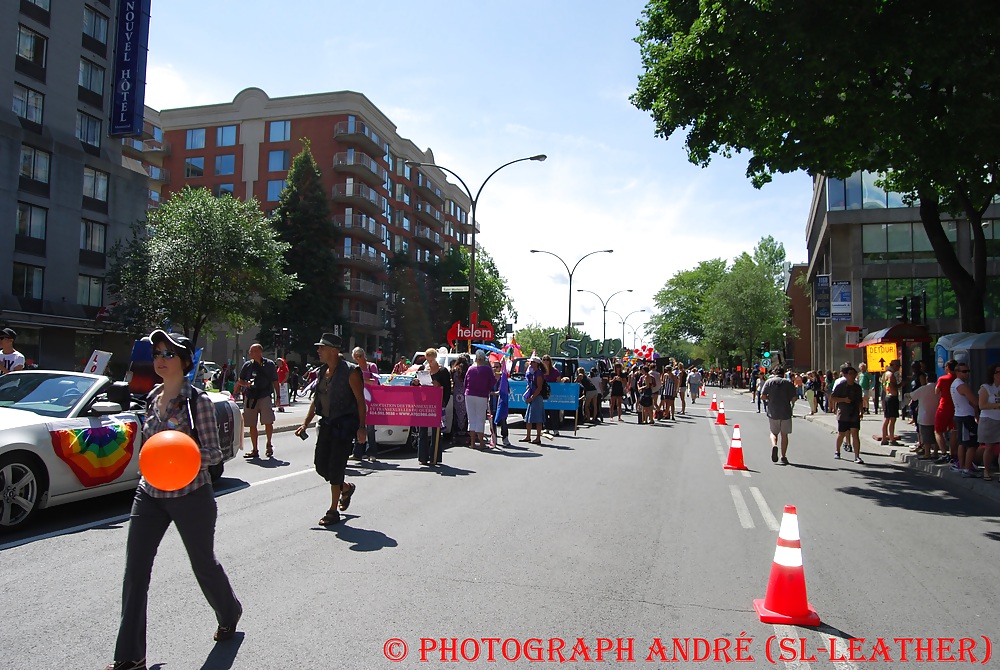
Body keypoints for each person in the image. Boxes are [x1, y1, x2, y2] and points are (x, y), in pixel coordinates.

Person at [104, 330, 241, 670]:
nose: (161, 359)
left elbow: (213, 452)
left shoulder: (198, 403)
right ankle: (130, 657)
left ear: (185, 361)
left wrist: (182, 455)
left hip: (190, 495)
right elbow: (149, 448)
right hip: (149, 494)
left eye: (168, 354)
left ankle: (229, 610)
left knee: (202, 564)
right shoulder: (152, 397)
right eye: (157, 353)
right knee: (135, 572)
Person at [295, 333, 366, 525]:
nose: (318, 350)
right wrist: (305, 423)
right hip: (326, 424)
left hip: (344, 426)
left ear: (334, 351)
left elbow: (360, 400)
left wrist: (362, 427)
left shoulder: (351, 372)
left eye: (322, 348)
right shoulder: (321, 372)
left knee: (336, 467)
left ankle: (333, 511)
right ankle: (345, 488)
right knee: (320, 465)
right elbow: (316, 399)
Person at [232, 344, 281, 459]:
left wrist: (278, 397)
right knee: (251, 424)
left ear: (260, 352)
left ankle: (269, 444)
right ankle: (255, 449)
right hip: (251, 397)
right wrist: (246, 384)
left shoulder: (269, 365)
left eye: (254, 351)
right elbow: (240, 380)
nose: (251, 353)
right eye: (250, 351)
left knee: (268, 421)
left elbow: (275, 381)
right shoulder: (247, 365)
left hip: (264, 395)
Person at [412, 348, 452, 465]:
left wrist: (439, 386)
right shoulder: (422, 369)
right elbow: (416, 385)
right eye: (428, 360)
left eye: (431, 360)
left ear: (436, 359)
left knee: (436, 431)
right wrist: (415, 382)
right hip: (424, 403)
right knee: (422, 431)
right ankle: (422, 457)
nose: (429, 363)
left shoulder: (443, 371)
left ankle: (434, 457)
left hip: (437, 403)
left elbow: (447, 388)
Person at [761, 367, 796, 465]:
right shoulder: (788, 383)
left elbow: (762, 396)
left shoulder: (769, 382)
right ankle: (783, 456)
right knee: (784, 435)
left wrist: (770, 398)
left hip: (773, 411)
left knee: (773, 433)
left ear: (775, 373)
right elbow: (794, 398)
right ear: (783, 373)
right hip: (786, 411)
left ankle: (774, 445)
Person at [351, 347, 381, 462]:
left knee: (370, 427)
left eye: (360, 356)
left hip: (370, 399)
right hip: (358, 399)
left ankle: (371, 452)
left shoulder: (371, 366)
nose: (358, 359)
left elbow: (375, 381)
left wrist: (362, 380)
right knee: (358, 425)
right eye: (356, 357)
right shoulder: (355, 368)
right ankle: (357, 452)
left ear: (364, 355)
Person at [830, 365, 864, 463]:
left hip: (854, 413)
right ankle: (837, 451)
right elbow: (833, 398)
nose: (852, 376)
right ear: (846, 375)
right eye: (850, 374)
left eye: (854, 374)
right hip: (844, 413)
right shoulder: (841, 386)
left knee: (855, 433)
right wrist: (843, 400)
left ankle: (857, 456)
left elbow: (860, 400)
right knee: (842, 434)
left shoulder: (857, 387)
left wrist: (861, 411)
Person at [951, 362, 980, 477]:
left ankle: (962, 465)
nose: (967, 374)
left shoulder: (955, 384)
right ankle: (966, 467)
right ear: (957, 372)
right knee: (971, 444)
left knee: (962, 442)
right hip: (965, 416)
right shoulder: (961, 385)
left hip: (960, 415)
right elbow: (975, 401)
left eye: (968, 371)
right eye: (964, 371)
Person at [464, 350, 495, 450]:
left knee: (471, 419)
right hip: (481, 395)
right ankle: (481, 442)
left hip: (469, 394)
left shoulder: (470, 369)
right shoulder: (487, 369)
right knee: (480, 419)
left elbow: (465, 382)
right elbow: (492, 382)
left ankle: (472, 443)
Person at [907, 372, 939, 460]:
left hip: (924, 416)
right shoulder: (938, 388)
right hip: (936, 415)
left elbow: (912, 396)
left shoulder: (923, 389)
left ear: (927, 379)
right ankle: (935, 452)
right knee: (937, 435)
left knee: (926, 436)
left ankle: (927, 453)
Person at [977, 364, 1000, 481]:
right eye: (997, 372)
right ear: (993, 374)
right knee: (989, 447)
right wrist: (997, 405)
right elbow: (982, 405)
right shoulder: (986, 388)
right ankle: (986, 470)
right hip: (989, 420)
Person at [934, 359, 959, 465]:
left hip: (944, 407)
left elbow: (936, 391)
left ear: (947, 367)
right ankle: (953, 454)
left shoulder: (942, 379)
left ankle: (944, 454)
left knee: (938, 431)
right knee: (954, 431)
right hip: (956, 407)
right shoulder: (958, 379)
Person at [522, 356, 545, 445]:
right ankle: (528, 436)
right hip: (532, 396)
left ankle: (538, 437)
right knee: (528, 418)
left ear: (537, 363)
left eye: (532, 362)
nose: (530, 364)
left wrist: (532, 397)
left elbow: (539, 388)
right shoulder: (533, 373)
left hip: (537, 397)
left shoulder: (539, 373)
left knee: (538, 418)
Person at [489, 360, 511, 447]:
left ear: (500, 368)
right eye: (493, 367)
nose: (495, 369)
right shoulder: (490, 379)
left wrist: (502, 391)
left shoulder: (503, 379)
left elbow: (508, 391)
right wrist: (494, 393)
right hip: (492, 404)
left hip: (501, 404)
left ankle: (505, 438)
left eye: (497, 367)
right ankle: (494, 438)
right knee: (492, 422)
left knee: (503, 422)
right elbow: (487, 391)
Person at [880, 360, 902, 445]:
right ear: (894, 365)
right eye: (898, 366)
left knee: (887, 419)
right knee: (892, 419)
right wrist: (900, 385)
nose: (899, 367)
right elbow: (893, 386)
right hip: (892, 397)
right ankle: (892, 439)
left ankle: (884, 438)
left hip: (887, 397)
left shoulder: (885, 374)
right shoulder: (891, 375)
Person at [541, 355, 563, 436]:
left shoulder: (555, 371)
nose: (546, 361)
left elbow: (559, 381)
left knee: (554, 412)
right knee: (544, 412)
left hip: (553, 394)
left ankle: (555, 429)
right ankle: (546, 428)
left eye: (547, 360)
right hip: (544, 394)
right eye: (544, 359)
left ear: (550, 361)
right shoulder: (541, 371)